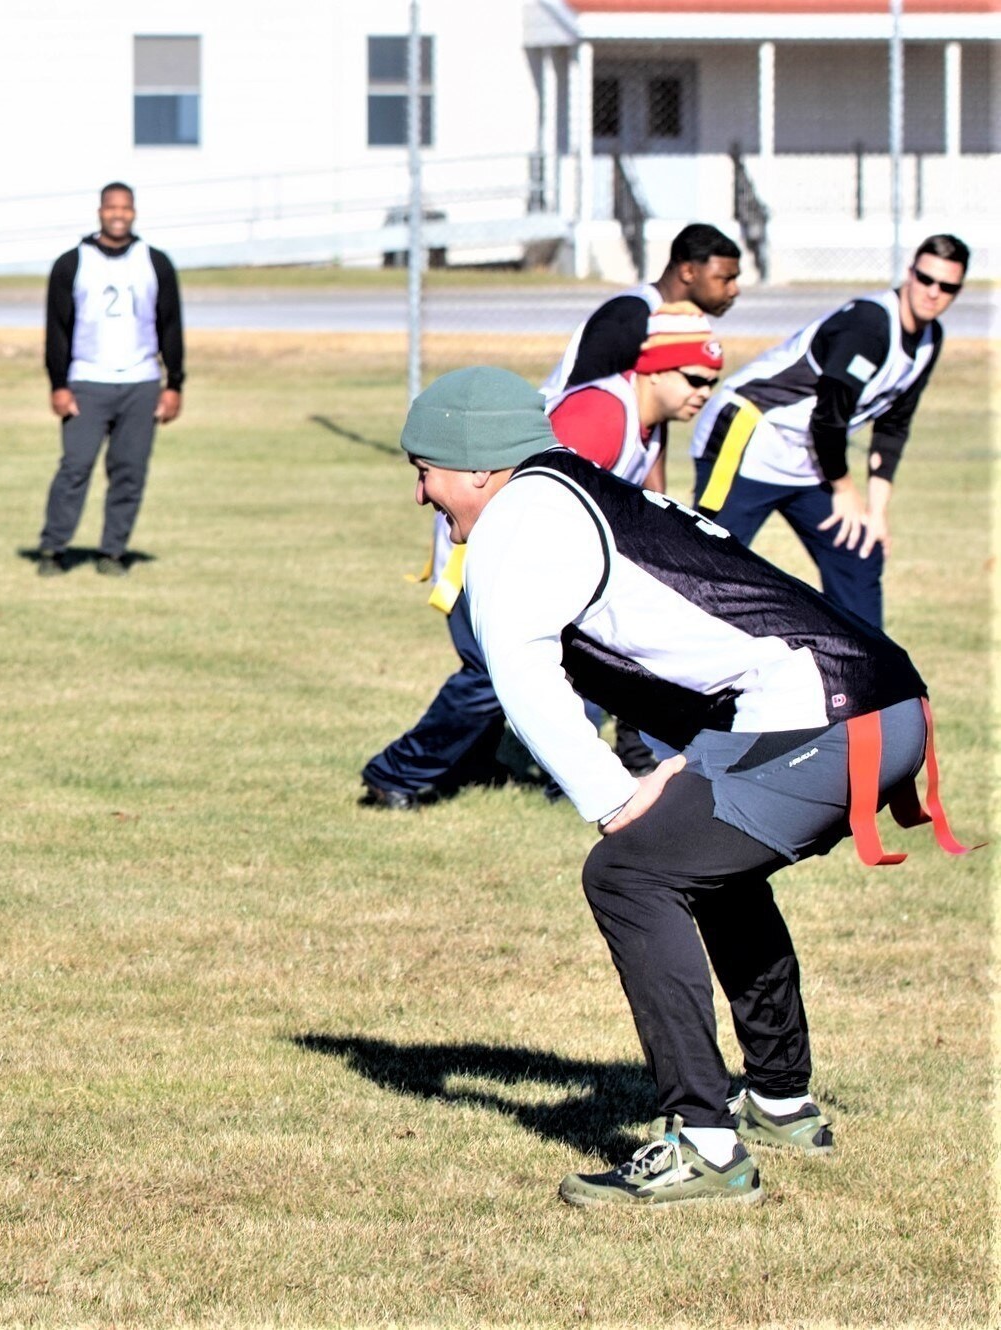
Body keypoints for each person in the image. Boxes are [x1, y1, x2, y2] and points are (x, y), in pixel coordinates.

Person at [399, 366, 970, 1208]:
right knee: (703, 864)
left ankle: (705, 1146)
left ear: (479, 466)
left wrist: (608, 798)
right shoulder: (576, 487)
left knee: (630, 871)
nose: (420, 493)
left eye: (425, 468)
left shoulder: (519, 520)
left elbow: (520, 675)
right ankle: (777, 1102)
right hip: (872, 703)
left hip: (832, 716)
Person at [358, 309, 723, 810]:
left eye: (713, 382)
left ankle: (549, 773)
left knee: (584, 660)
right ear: (655, 370)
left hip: (539, 561)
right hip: (487, 550)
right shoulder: (600, 416)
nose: (705, 392)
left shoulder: (649, 425)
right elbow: (533, 497)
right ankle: (394, 773)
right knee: (494, 675)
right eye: (695, 378)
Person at [688, 234, 968, 630]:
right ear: (909, 274)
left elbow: (893, 425)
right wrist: (846, 491)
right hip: (749, 434)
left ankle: (870, 682)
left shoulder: (928, 340)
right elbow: (829, 418)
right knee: (706, 563)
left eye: (948, 287)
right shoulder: (870, 325)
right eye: (926, 279)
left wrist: (876, 512)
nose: (934, 293)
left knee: (860, 550)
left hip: (810, 455)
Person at [34, 182, 184, 578]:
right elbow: (57, 329)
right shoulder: (72, 263)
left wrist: (174, 385)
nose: (119, 214)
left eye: (126, 208)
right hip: (87, 379)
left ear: (134, 212)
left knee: (130, 470)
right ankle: (52, 548)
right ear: (100, 211)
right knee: (75, 466)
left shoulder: (156, 262)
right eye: (111, 207)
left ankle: (113, 551)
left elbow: (171, 327)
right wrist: (59, 384)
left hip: (141, 381)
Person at [540, 221, 740, 405]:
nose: (734, 290)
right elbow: (578, 399)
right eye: (725, 279)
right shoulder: (632, 316)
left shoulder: (676, 320)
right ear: (688, 271)